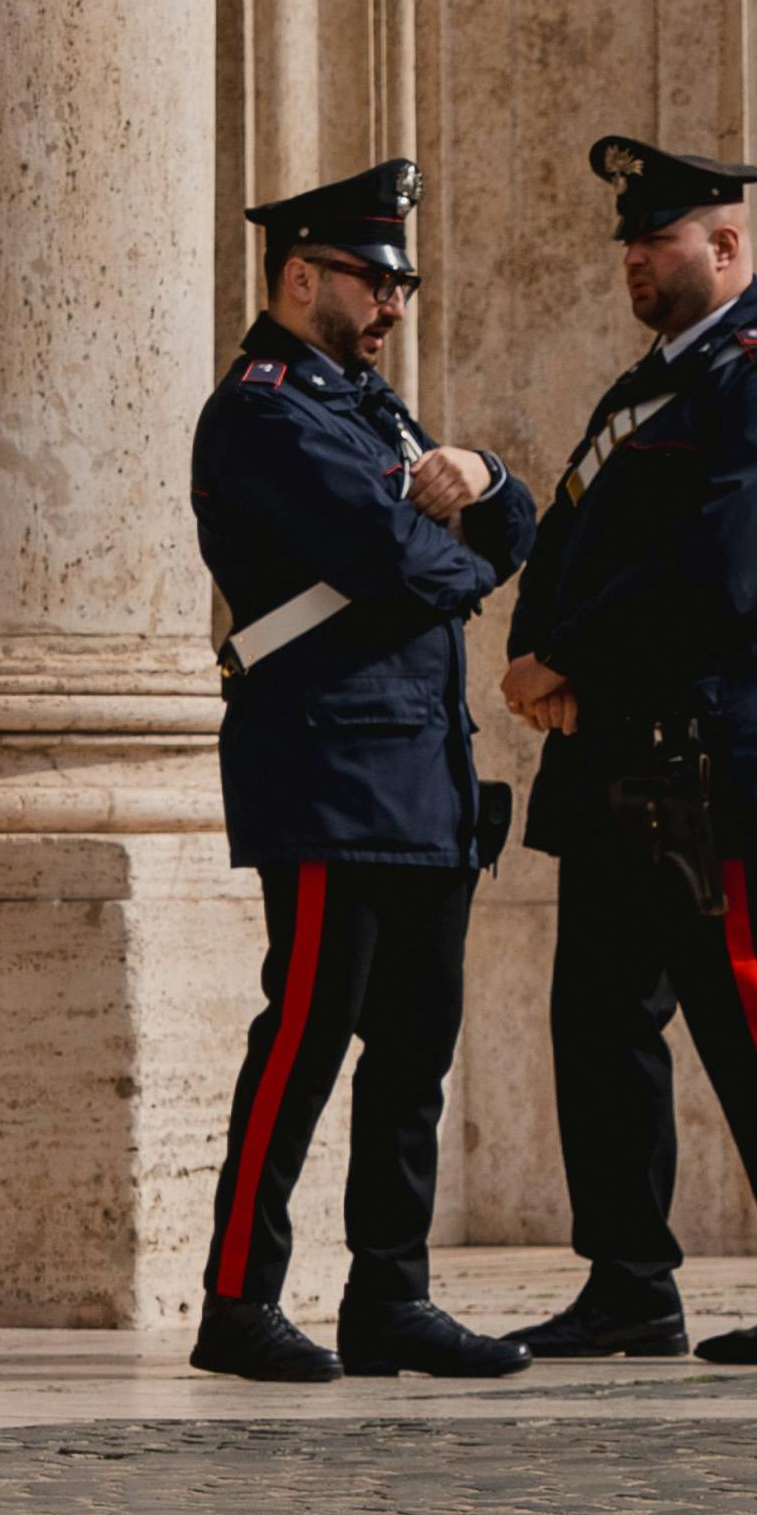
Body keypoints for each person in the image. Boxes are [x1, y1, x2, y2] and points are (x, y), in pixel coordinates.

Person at [500, 136, 757, 1372]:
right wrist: (540, 656)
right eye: (627, 242)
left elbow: (722, 572)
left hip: (715, 760)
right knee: (599, 1019)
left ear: (725, 248)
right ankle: (628, 1284)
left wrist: (571, 660)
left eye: (655, 241)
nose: (632, 259)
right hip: (621, 758)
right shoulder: (644, 393)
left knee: (755, 1023)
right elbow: (569, 542)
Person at [190, 158, 537, 1389]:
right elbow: (405, 568)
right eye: (374, 280)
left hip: (423, 776)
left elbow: (510, 530)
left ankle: (391, 1295)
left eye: (402, 282)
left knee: (412, 1048)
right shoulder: (266, 408)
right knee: (304, 1040)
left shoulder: (370, 408)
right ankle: (238, 1298)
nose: (393, 304)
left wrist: (486, 480)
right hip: (329, 770)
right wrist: (459, 541)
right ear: (300, 277)